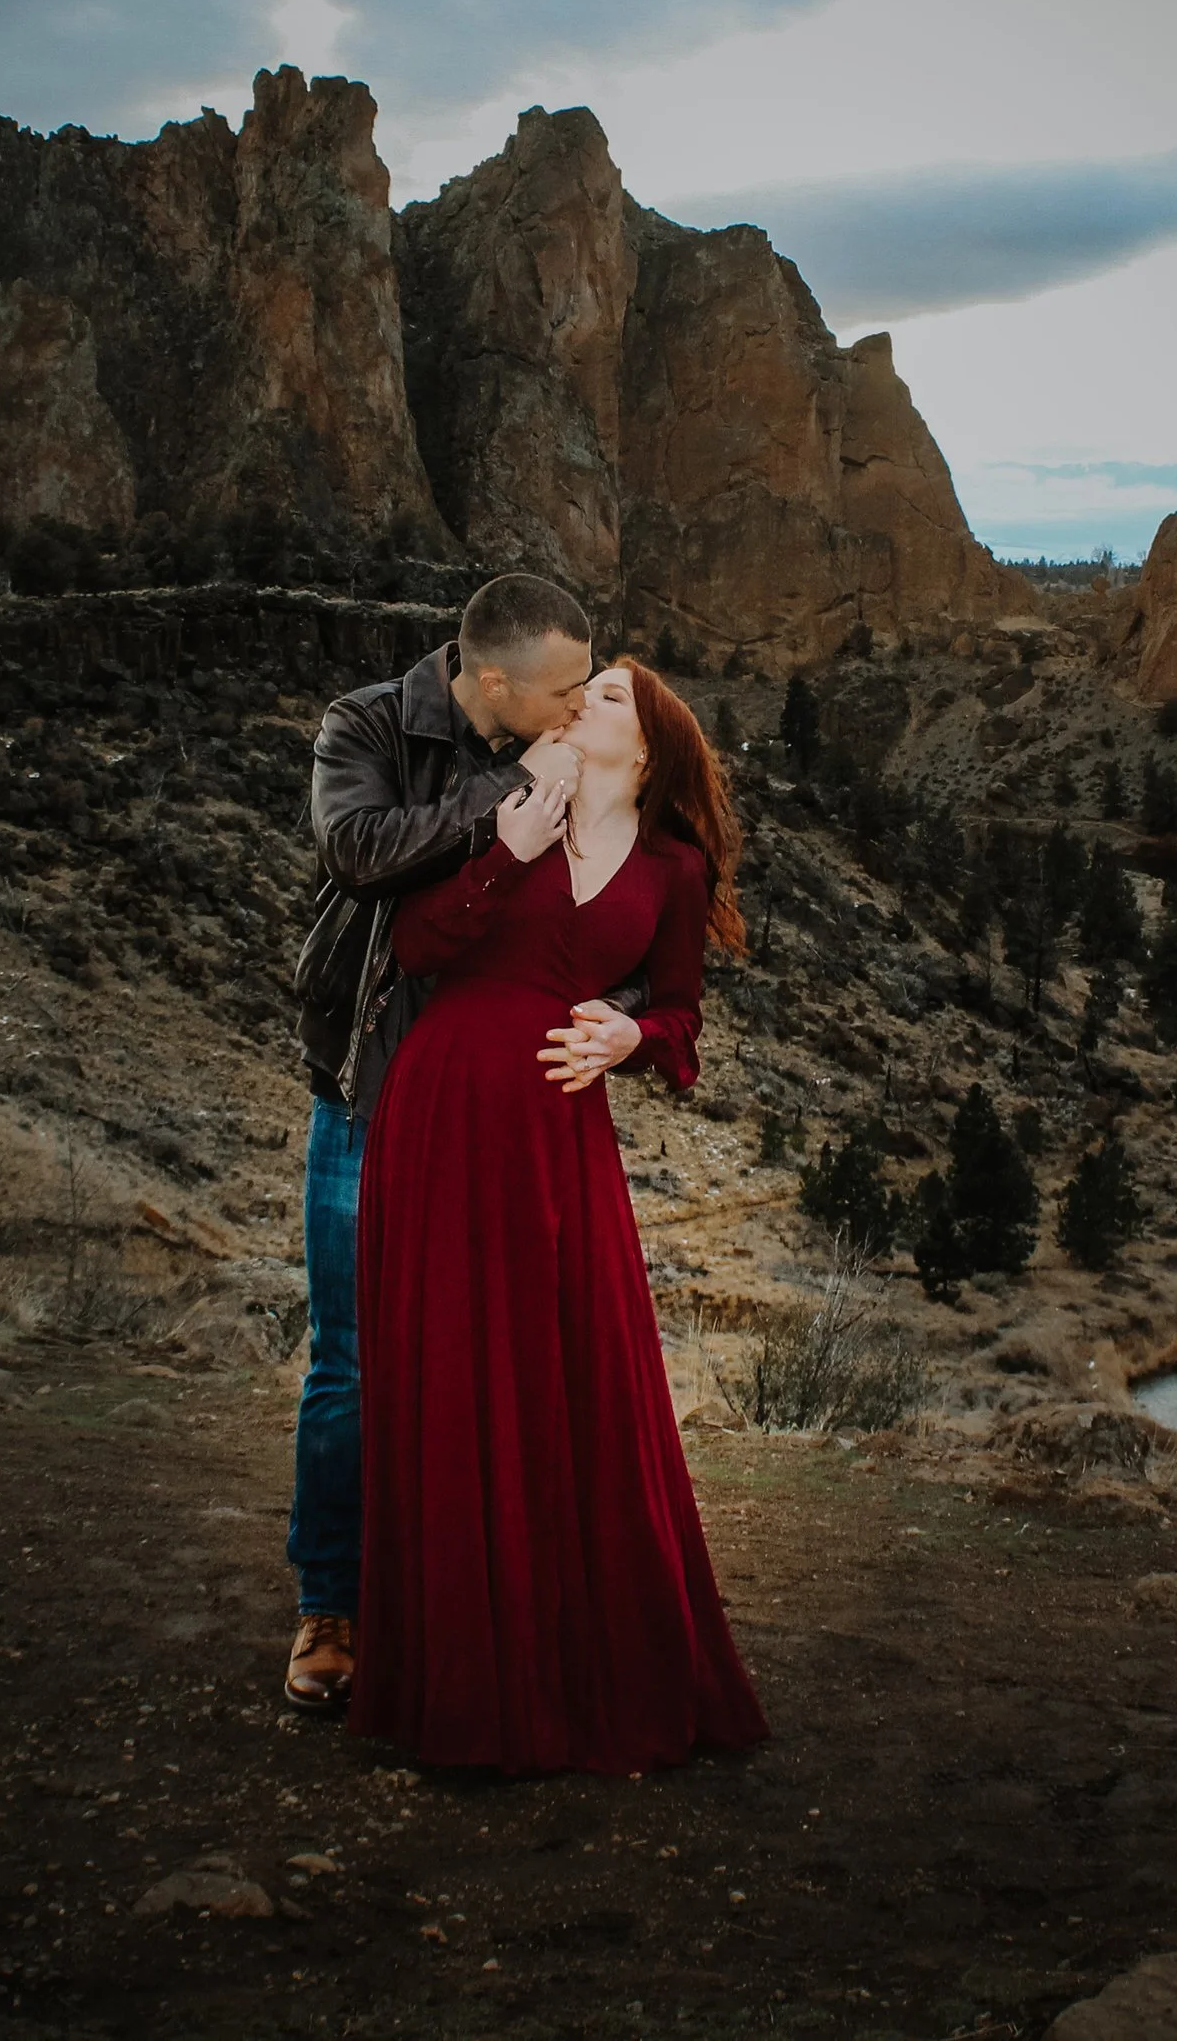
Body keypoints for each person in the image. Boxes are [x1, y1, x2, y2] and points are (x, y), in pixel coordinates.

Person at [349, 659, 770, 1773]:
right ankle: (461, 1693)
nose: (585, 698)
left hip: (558, 1138)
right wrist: (505, 859)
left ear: (653, 745)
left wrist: (632, 1040)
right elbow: (417, 949)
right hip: (441, 1110)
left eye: (614, 696)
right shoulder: (508, 807)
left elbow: (676, 1011)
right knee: (451, 1381)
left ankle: (587, 1676)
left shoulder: (674, 869)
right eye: (582, 687)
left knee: (571, 1380)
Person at [284, 574, 648, 1713]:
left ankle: (470, 1611)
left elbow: (610, 896)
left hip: (498, 1118)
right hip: (370, 1090)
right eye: (560, 689)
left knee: (491, 1368)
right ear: (490, 679)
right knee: (351, 1358)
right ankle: (331, 1606)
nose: (577, 705)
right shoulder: (368, 725)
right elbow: (356, 848)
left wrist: (630, 1016)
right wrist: (500, 809)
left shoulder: (564, 744)